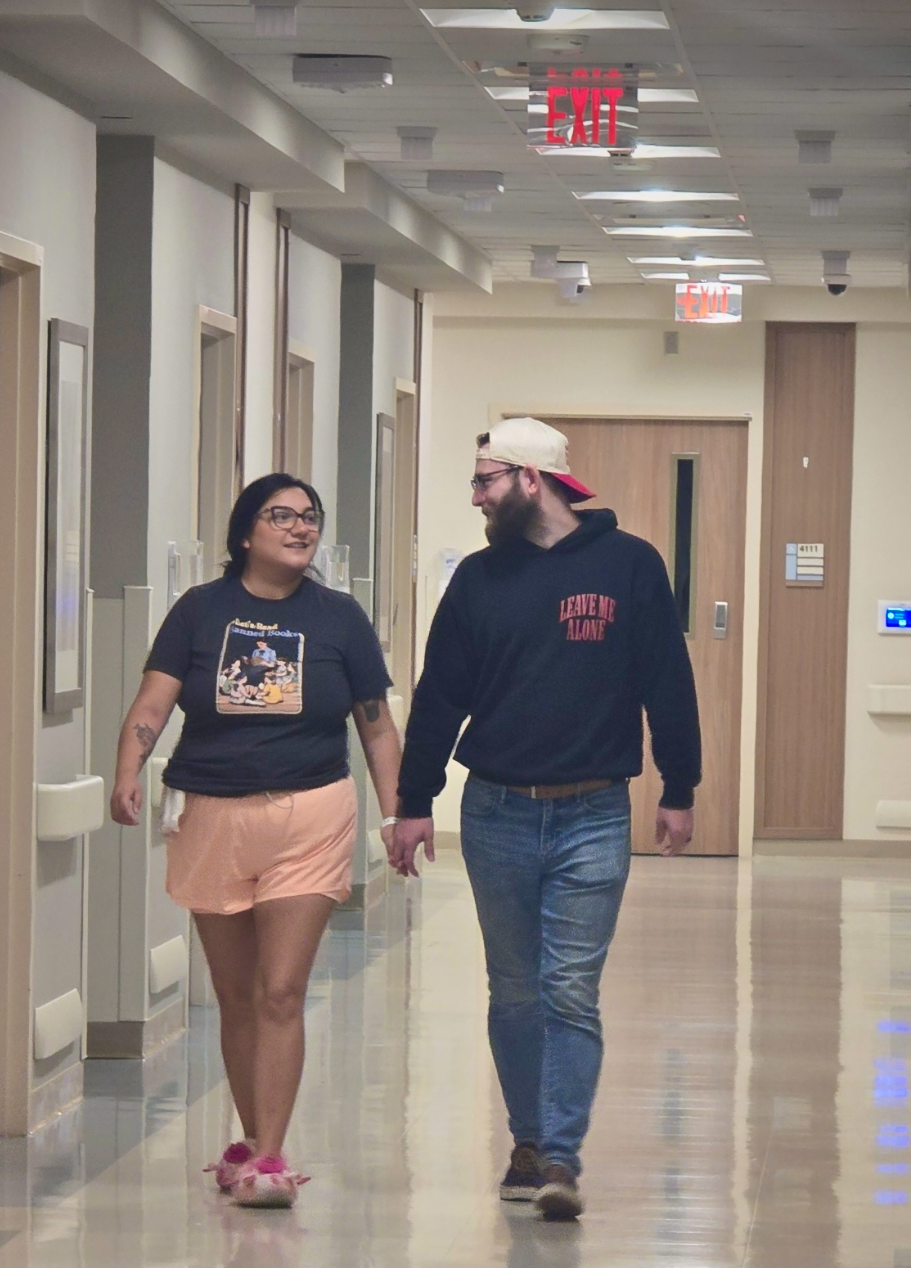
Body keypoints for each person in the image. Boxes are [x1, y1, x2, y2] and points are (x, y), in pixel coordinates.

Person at [388, 417, 700, 1223]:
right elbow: (439, 695)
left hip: (593, 812)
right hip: (495, 810)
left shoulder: (629, 565)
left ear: (531, 480)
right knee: (516, 990)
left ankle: (560, 1155)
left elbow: (666, 677)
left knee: (568, 988)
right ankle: (526, 1140)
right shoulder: (477, 580)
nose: (475, 497)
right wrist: (413, 802)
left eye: (484, 480)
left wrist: (679, 785)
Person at [110, 474, 401, 1209]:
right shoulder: (200, 610)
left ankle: (270, 1156)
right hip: (212, 814)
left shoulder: (339, 618)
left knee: (280, 990)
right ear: (245, 533)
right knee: (236, 995)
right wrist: (127, 771)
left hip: (311, 811)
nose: (301, 528)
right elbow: (153, 701)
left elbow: (375, 726)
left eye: (310, 517)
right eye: (282, 516)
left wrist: (396, 815)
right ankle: (246, 1140)